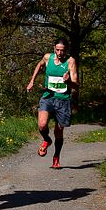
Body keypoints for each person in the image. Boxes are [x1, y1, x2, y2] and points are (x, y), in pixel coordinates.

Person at [26, 38, 78, 169]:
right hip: (48, 97)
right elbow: (39, 65)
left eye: (62, 50)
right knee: (42, 125)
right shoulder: (48, 57)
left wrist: (68, 82)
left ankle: (56, 157)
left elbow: (76, 85)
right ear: (54, 48)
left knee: (58, 132)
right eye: (57, 50)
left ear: (66, 50)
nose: (60, 53)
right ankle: (47, 140)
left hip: (63, 100)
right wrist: (32, 81)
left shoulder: (70, 62)